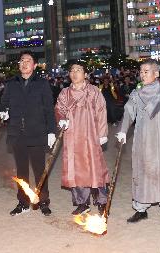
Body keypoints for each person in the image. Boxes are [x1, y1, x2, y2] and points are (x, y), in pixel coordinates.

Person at [116, 59, 160, 226]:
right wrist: (122, 130)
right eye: (141, 71)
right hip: (143, 141)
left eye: (146, 71)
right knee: (143, 173)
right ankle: (141, 209)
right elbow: (128, 112)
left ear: (156, 73)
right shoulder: (136, 93)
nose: (142, 74)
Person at [0, 50, 56, 216]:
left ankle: (43, 201)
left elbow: (49, 109)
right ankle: (23, 202)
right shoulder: (11, 83)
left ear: (35, 65)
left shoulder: (42, 83)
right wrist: (4, 112)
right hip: (17, 133)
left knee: (40, 169)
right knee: (22, 171)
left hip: (37, 132)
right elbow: (3, 103)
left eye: (28, 60)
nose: (24, 63)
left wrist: (51, 131)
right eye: (22, 60)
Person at [55, 61, 109, 215]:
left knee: (95, 168)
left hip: (91, 135)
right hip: (72, 136)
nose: (74, 73)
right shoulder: (64, 93)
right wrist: (61, 118)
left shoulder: (93, 92)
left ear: (85, 75)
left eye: (78, 70)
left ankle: (102, 200)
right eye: (72, 70)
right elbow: (59, 109)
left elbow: (101, 112)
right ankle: (82, 202)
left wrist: (102, 134)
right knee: (76, 169)